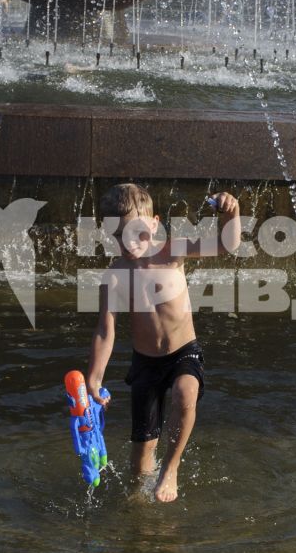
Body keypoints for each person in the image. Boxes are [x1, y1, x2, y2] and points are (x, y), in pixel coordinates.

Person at [85, 183, 242, 502]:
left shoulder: (172, 251)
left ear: (154, 224)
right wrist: (94, 377)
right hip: (145, 363)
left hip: (183, 352)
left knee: (185, 393)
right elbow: (106, 329)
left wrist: (232, 212)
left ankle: (171, 468)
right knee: (140, 461)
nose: (129, 243)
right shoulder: (115, 275)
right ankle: (140, 506)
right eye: (118, 236)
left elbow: (226, 244)